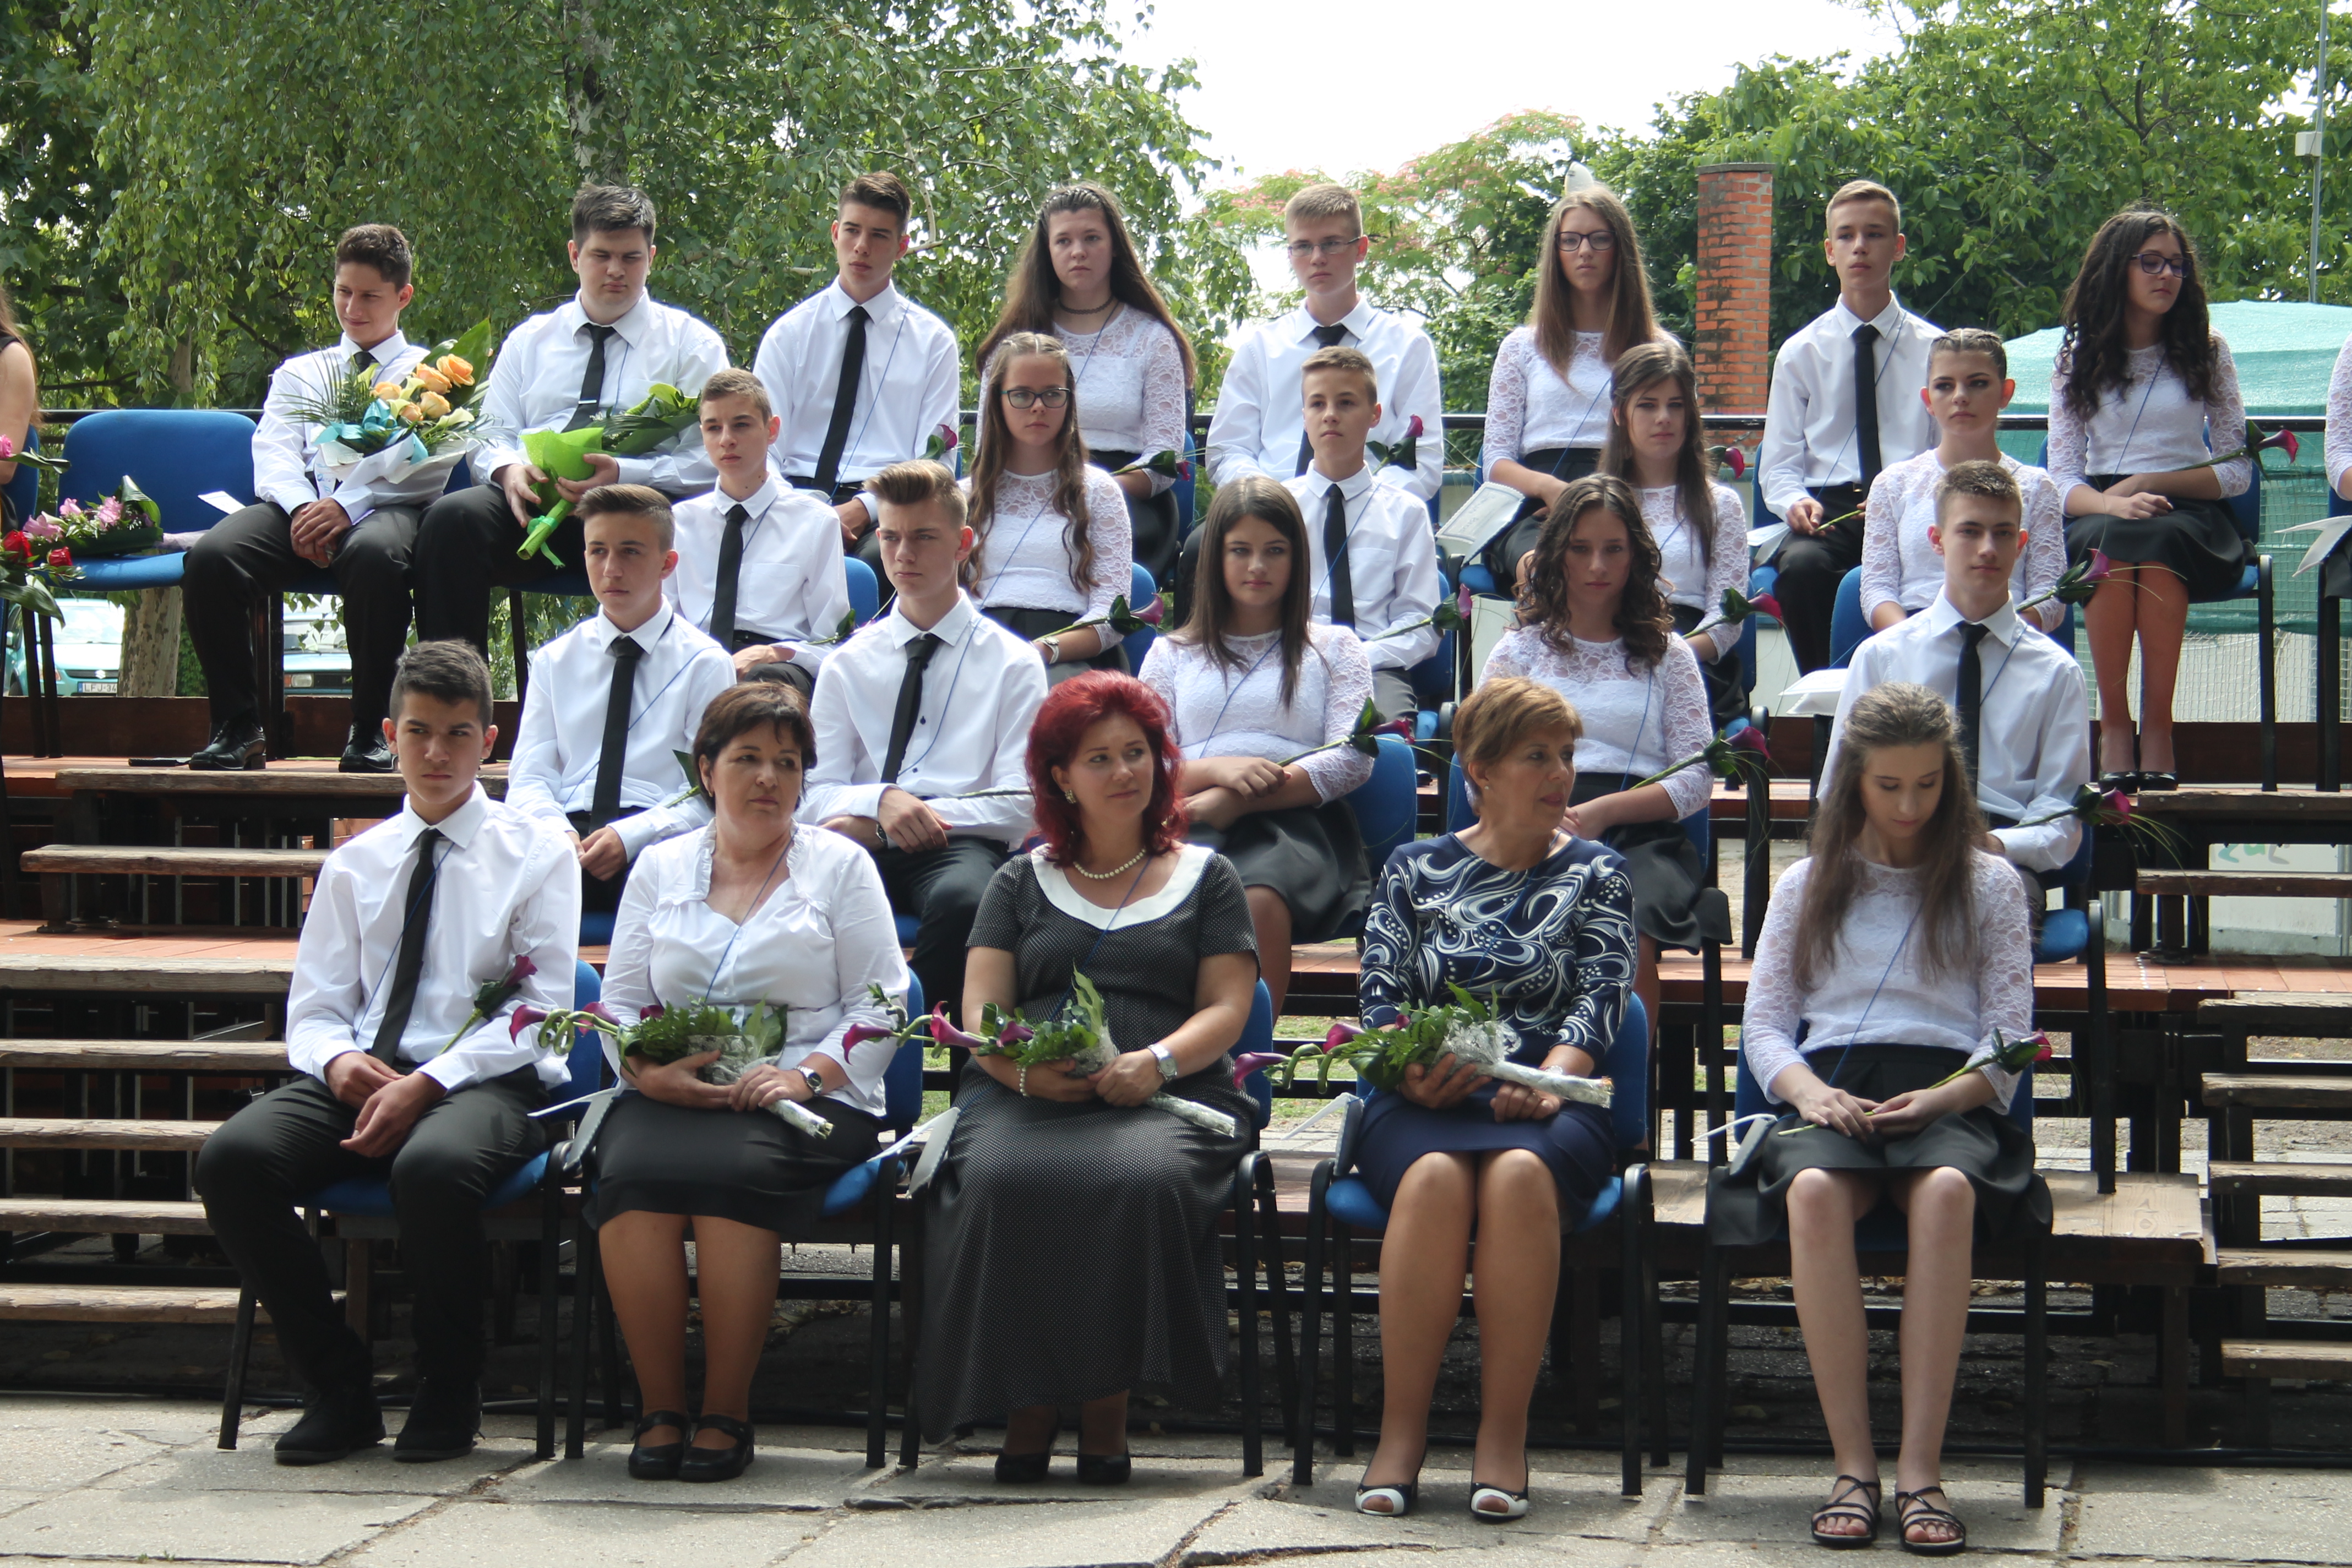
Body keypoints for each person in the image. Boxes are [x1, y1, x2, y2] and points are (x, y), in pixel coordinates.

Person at [193, 641, 580, 1465]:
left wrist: (430, 1081)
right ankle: (337, 1387)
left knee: (432, 1167)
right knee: (231, 1161)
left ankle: (449, 1386)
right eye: (418, 732)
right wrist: (338, 1062)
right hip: (367, 1069)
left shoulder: (538, 853)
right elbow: (314, 1011)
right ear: (388, 735)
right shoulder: (354, 863)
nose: (437, 753)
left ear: (490, 740)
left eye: (458, 733)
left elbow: (543, 1011)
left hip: (489, 1080)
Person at [1713, 680, 2041, 1555]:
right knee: (1814, 1193)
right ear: (1853, 780)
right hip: (1835, 1087)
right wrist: (1807, 1094)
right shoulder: (1808, 883)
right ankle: (1853, 1464)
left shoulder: (1991, 882)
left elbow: (2010, 1036)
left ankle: (1921, 1469)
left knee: (1947, 1195)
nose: (1908, 806)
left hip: (1950, 1090)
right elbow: (1765, 1026)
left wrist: (1945, 1097)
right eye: (1889, 785)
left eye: (1928, 785)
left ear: (1951, 780)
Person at [917, 671, 1259, 1480]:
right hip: (1024, 1093)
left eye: (1136, 752)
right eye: (1098, 758)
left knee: (1136, 1180)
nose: (1123, 771)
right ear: (1062, 777)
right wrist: (1025, 1077)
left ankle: (1108, 1408)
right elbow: (983, 1012)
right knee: (998, 1180)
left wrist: (1156, 1062)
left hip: (1170, 1090)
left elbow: (1227, 1007)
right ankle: (1026, 1406)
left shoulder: (1208, 877)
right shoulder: (1016, 882)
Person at [594, 682, 909, 1484]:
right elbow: (619, 1002)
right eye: (747, 759)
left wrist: (804, 1077)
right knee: (628, 1177)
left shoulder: (841, 866)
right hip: (673, 1089)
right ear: (706, 770)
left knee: (729, 1177)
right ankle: (661, 1408)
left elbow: (883, 1005)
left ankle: (727, 1411)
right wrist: (647, 1073)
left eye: (787, 762)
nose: (769, 777)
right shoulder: (661, 867)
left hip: (808, 1096)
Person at [1349, 676, 1632, 1521]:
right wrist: (1409, 1070)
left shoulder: (1600, 872)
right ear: (1479, 769)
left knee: (1516, 1178)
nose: (1560, 774)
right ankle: (1400, 1436)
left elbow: (1603, 998)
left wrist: (1551, 1082)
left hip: (1556, 1098)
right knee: (1435, 1178)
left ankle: (1504, 1436)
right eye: (1536, 756)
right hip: (1422, 1095)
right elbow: (1379, 999)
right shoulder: (1412, 868)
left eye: (1567, 755)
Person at [413, 186, 728, 654]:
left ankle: (677, 682)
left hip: (640, 513)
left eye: (631, 257)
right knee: (449, 522)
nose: (616, 270)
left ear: (651, 258)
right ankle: (450, 689)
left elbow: (712, 457)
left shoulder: (692, 345)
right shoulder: (530, 340)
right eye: (601, 256)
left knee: (697, 529)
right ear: (575, 255)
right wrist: (509, 470)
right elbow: (491, 432)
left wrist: (624, 474)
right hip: (533, 507)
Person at [799, 459, 1048, 1024]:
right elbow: (812, 793)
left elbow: (1022, 804)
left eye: (924, 538)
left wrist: (898, 821)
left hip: (960, 842)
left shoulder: (1014, 662)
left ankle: (930, 1050)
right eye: (890, 537)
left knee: (966, 900)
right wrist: (880, 802)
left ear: (963, 543)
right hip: (855, 834)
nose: (903, 554)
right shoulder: (846, 663)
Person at [184, 226, 429, 772]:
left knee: (375, 557)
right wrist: (303, 511)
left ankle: (371, 729)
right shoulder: (302, 372)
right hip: (300, 510)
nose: (353, 308)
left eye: (370, 296)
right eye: (344, 292)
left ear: (403, 296)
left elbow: (426, 468)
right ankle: (237, 725)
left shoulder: (428, 374)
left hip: (386, 508)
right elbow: (273, 453)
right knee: (211, 558)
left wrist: (347, 506)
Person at [1482, 473, 1718, 1040]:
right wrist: (1536, 815)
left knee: (1624, 923)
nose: (1597, 566)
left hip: (1640, 831)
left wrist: (1604, 813)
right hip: (1532, 825)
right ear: (1556, 553)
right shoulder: (1518, 651)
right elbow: (1480, 768)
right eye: (1581, 549)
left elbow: (1695, 779)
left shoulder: (1670, 655)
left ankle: (1626, 1085)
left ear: (1636, 555)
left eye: (1614, 549)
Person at [1140, 476, 1375, 1016]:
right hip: (1190, 813)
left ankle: (1249, 1051)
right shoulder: (1170, 654)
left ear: (1297, 558)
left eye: (1275, 550)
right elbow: (1145, 760)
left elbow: (1353, 755)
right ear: (1215, 557)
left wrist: (1241, 799)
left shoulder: (1335, 646)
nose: (1257, 566)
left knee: (1258, 898)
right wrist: (1220, 773)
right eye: (1240, 550)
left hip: (1295, 823)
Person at [2049, 209, 2250, 793]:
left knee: (2159, 538)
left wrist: (2150, 482)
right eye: (2152, 262)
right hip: (2103, 508)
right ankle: (2115, 725)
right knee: (2112, 541)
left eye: (2177, 265)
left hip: (2189, 509)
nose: (2168, 276)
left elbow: (2237, 468)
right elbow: (2061, 480)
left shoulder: (2208, 349)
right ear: (2118, 269)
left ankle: (2158, 724)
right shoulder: (2078, 356)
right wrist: (2112, 502)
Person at [1834, 460, 2092, 889]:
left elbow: (2062, 812)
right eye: (1970, 531)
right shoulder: (1882, 656)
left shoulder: (2056, 672)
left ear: (2021, 544)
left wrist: (1993, 845)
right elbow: (1839, 790)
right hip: (1897, 845)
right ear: (1937, 540)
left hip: (2005, 855)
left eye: (2003, 534)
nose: (1988, 548)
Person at [1193, 182, 1442, 622]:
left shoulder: (1406, 346)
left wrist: (1362, 506)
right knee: (1199, 550)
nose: (1317, 258)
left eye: (1331, 244)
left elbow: (1420, 462)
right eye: (1302, 247)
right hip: (1269, 515)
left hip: (1367, 508)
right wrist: (1273, 502)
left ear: (1360, 249)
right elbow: (1228, 450)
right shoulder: (1261, 348)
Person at [505, 486, 735, 915]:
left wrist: (631, 837)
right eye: (598, 551)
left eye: (630, 552)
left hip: (659, 837)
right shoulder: (555, 660)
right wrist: (556, 832)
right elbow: (530, 775)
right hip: (567, 832)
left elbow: (712, 793)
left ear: (667, 564)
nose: (611, 570)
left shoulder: (705, 664)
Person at [1756, 179, 1942, 673]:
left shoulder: (1935, 350)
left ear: (1898, 247)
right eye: (1846, 235)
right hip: (1830, 512)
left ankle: (1917, 693)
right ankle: (1828, 696)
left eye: (1875, 234)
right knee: (1801, 569)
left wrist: (1911, 496)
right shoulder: (1800, 353)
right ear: (1829, 250)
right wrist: (1794, 502)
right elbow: (1778, 465)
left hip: (1911, 504)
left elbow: (1949, 452)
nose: (1860, 246)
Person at [973, 182, 1195, 584]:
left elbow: (1164, 461)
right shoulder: (1014, 342)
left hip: (1125, 496)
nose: (1078, 251)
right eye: (1064, 241)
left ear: (1115, 247)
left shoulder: (1153, 340)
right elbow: (986, 451)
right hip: (1025, 492)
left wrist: (1090, 490)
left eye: (1092, 238)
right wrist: (1042, 490)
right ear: (1048, 251)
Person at [751, 172, 960, 574]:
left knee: (871, 569)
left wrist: (865, 508)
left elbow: (936, 463)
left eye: (879, 236)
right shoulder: (789, 334)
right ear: (835, 234)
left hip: (888, 505)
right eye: (852, 231)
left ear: (902, 247)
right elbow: (760, 447)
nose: (862, 246)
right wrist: (794, 509)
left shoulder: (933, 343)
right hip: (790, 494)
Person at [1483, 186, 1670, 586]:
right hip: (1540, 501)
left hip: (1632, 496)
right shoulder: (1521, 347)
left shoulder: (1658, 348)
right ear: (1556, 251)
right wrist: (1553, 489)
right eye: (1570, 240)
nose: (1584, 251)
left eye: (1599, 239)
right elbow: (1496, 462)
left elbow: (1676, 452)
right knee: (1545, 572)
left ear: (1620, 249)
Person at [1859, 329, 2066, 635]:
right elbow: (1877, 589)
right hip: (1912, 637)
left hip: (2006, 637)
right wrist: (1913, 644)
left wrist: (1991, 641)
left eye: (1978, 383)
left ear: (2006, 393)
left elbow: (2049, 594)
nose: (1960, 396)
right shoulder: (1893, 484)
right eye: (1945, 386)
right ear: (1928, 399)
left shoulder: (2037, 486)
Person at [666, 368, 850, 696]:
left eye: (741, 425)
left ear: (772, 430)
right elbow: (664, 623)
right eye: (714, 428)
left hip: (773, 667)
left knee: (760, 685)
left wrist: (775, 652)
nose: (726, 439)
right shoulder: (680, 522)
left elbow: (832, 642)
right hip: (695, 661)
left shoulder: (815, 522)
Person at [1286, 344, 1443, 724]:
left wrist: (1357, 657)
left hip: (1376, 667)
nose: (1330, 415)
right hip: (1290, 665)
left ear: (1375, 415)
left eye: (1346, 403)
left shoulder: (1406, 513)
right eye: (1317, 404)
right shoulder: (1278, 508)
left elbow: (1421, 622)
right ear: (1304, 416)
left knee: (1382, 744)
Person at [963, 332, 1133, 682]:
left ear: (1069, 400)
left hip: (1069, 651)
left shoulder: (1100, 491)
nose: (1038, 406)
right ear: (997, 400)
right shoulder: (962, 496)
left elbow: (1111, 615)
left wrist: (1043, 650)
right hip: (978, 646)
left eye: (1053, 394)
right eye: (1022, 394)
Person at [1597, 341, 1748, 728]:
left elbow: (1727, 620)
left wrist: (1668, 657)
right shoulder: (1595, 503)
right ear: (1619, 413)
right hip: (1607, 653)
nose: (1664, 418)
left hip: (1693, 658)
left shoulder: (1721, 505)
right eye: (1648, 405)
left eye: (1676, 405)